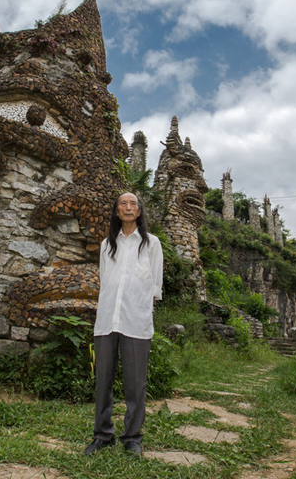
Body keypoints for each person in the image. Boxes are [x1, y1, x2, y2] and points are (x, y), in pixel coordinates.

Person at [83, 192, 163, 457]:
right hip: (107, 319)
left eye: (133, 204)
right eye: (123, 204)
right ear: (117, 212)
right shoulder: (108, 245)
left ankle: (132, 438)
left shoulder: (152, 244)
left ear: (139, 212)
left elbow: (155, 288)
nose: (128, 208)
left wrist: (142, 312)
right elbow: (105, 283)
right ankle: (102, 434)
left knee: (135, 382)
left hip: (136, 320)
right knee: (103, 380)